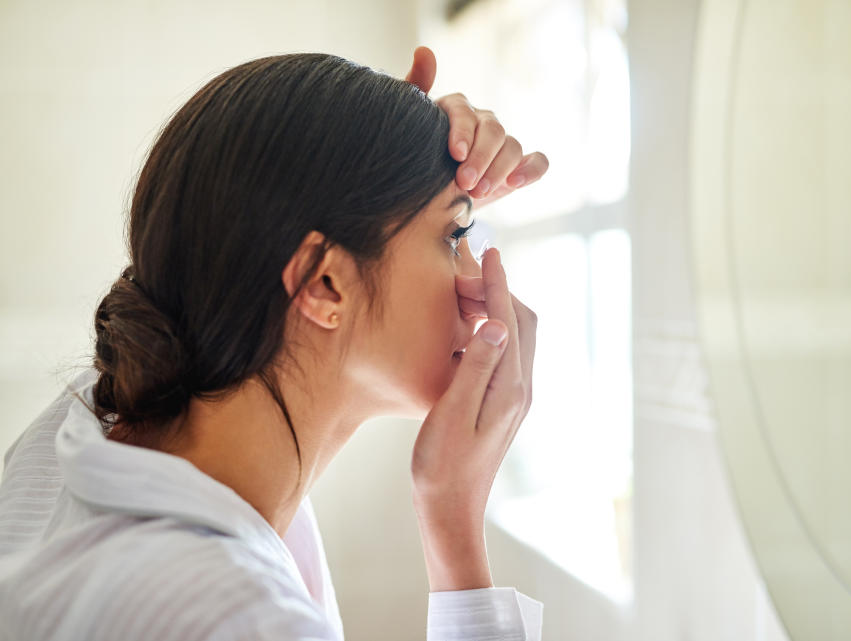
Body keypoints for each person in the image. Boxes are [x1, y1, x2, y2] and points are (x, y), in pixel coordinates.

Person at [0, 46, 548, 640]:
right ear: (323, 283)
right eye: (454, 236)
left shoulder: (85, 424)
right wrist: (455, 528)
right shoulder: (236, 619)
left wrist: (389, 151)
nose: (476, 281)